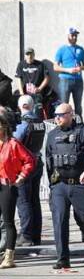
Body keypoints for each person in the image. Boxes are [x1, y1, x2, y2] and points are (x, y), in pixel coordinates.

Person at [45, 102, 84, 268]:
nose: (57, 118)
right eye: (56, 115)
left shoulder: (83, 132)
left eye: (61, 115)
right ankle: (62, 258)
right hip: (59, 185)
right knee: (59, 220)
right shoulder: (52, 135)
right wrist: (51, 187)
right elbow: (48, 160)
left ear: (70, 115)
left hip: (78, 185)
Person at [0, 113, 36, 268]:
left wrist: (21, 176)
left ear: (4, 127)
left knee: (8, 221)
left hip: (7, 185)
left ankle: (9, 256)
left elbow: (30, 160)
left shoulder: (13, 144)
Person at [12, 95, 46, 247]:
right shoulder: (40, 121)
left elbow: (15, 142)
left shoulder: (24, 124)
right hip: (37, 162)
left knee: (23, 201)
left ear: (23, 106)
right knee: (34, 201)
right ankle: (35, 235)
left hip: (24, 166)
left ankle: (26, 235)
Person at [53, 27, 84, 117]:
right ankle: (63, 125)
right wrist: (68, 70)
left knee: (78, 106)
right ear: (68, 36)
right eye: (72, 35)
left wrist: (81, 68)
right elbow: (55, 67)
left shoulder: (81, 49)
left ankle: (79, 125)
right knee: (64, 105)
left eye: (75, 36)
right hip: (65, 80)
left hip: (78, 80)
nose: (74, 37)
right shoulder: (62, 49)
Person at [15, 47, 56, 118]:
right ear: (25, 55)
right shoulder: (21, 64)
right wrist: (21, 93)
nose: (29, 56)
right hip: (25, 93)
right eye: (27, 54)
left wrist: (39, 88)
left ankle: (38, 121)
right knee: (20, 104)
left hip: (37, 93)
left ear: (34, 55)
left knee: (37, 107)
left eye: (31, 54)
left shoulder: (40, 64)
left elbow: (47, 78)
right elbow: (19, 79)